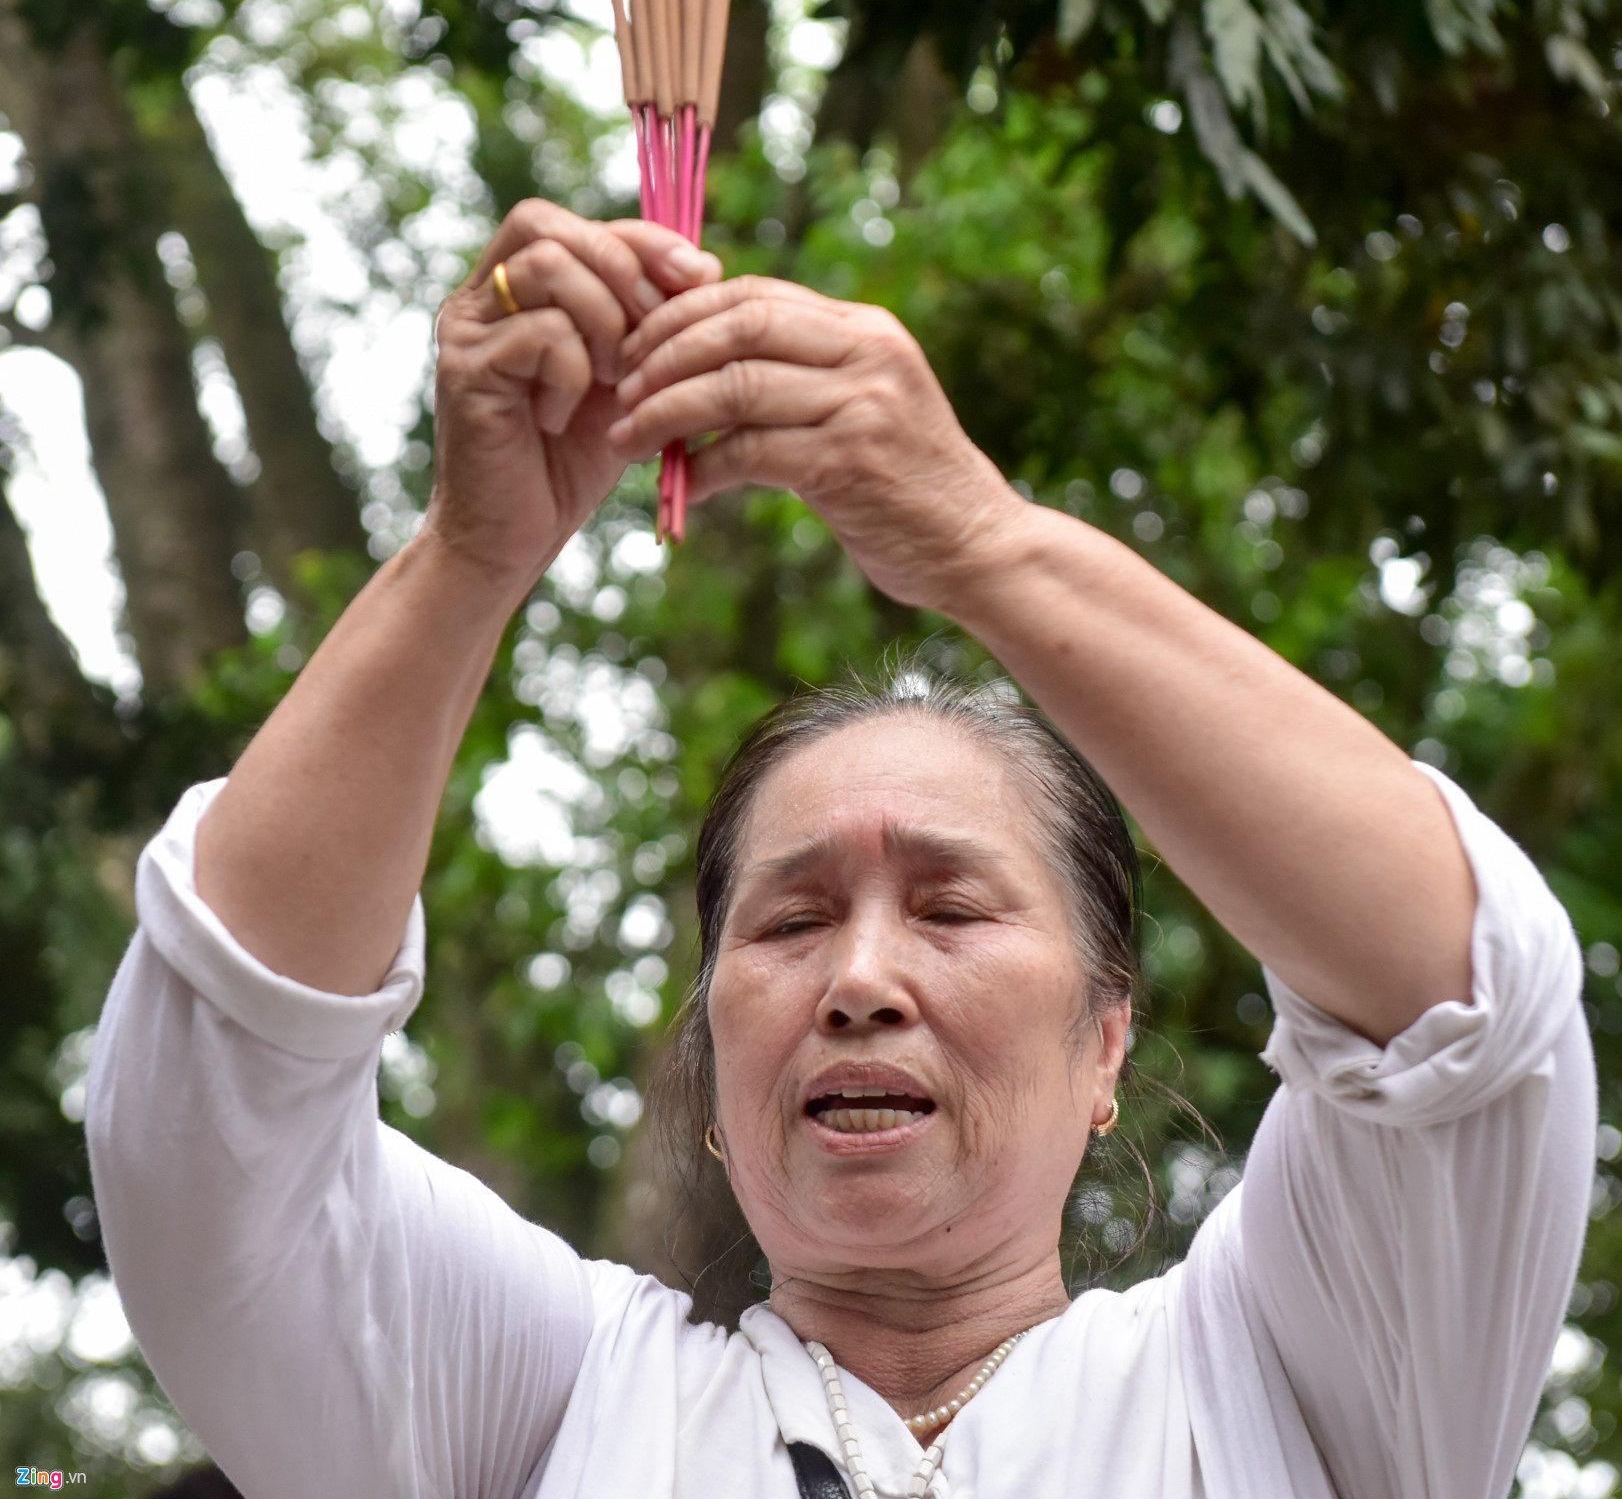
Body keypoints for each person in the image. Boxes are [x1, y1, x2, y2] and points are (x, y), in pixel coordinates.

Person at [88, 202, 1594, 1499]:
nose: (859, 978)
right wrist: (470, 555)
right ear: (712, 1074)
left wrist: (980, 539)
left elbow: (1458, 1000)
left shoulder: (1286, 1377)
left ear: (1104, 1048)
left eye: (952, 908)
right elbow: (212, 1139)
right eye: (791, 922)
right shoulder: (539, 1405)